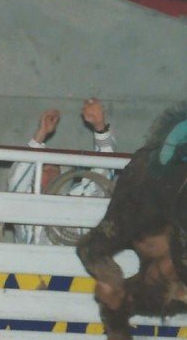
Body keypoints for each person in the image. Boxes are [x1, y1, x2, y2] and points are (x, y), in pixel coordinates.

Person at [8, 98, 116, 245]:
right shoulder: (25, 202)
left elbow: (101, 178)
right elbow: (17, 177)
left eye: (55, 170)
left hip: (67, 260)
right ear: (34, 176)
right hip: (28, 260)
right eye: (45, 170)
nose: (51, 174)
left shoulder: (74, 201)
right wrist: (41, 134)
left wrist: (100, 127)